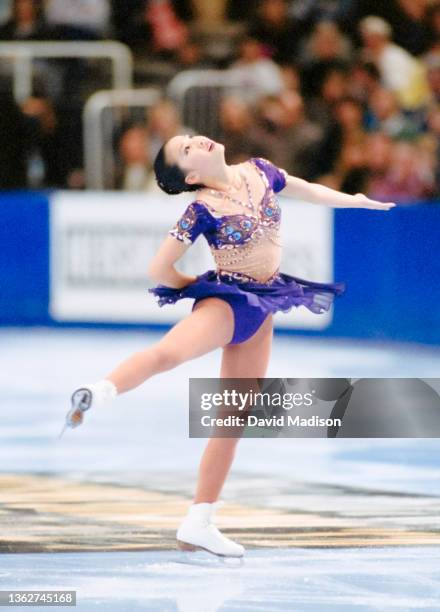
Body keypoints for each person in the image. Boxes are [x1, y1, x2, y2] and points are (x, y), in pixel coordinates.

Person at [62, 135, 395, 559]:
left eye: (187, 139)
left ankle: (198, 522)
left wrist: (354, 200)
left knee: (233, 417)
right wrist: (196, 288)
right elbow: (159, 269)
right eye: (185, 151)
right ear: (192, 175)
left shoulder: (259, 170)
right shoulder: (200, 208)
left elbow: (304, 190)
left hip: (265, 305)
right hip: (228, 301)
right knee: (169, 353)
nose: (194, 141)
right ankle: (102, 390)